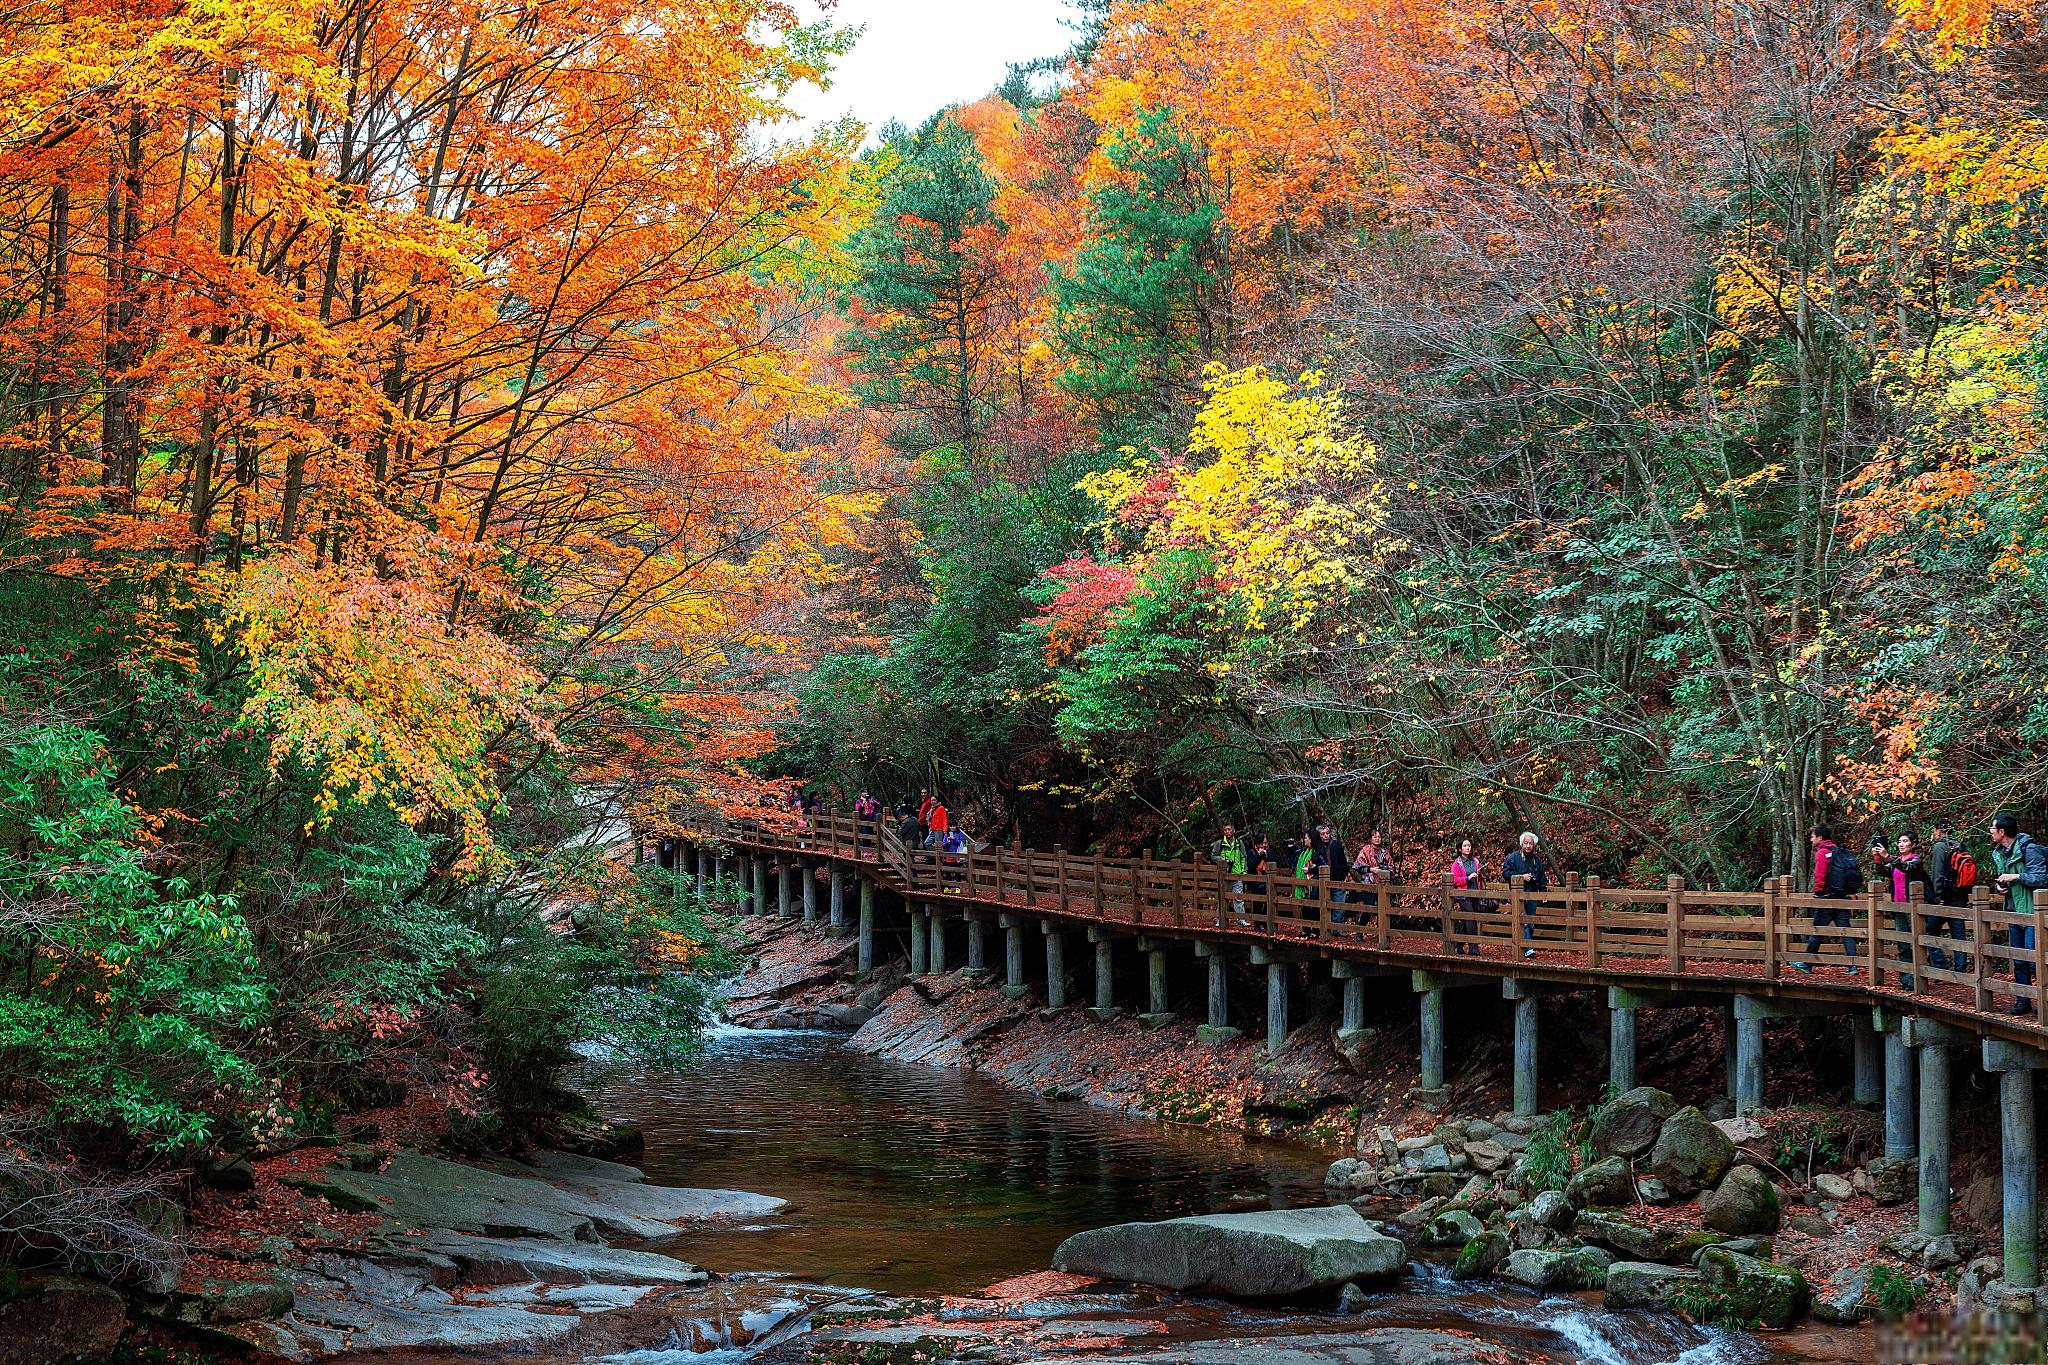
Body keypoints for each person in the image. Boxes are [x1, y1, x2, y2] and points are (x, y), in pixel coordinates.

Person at [1990, 813, 2048, 1015]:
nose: (1991, 832)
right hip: (2013, 912)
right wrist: (2001, 887)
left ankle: (2044, 1002)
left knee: (2035, 960)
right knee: (2019, 960)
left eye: (1992, 828)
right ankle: (2023, 1001)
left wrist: (2015, 876)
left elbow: (2041, 878)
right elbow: (2002, 878)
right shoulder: (2000, 852)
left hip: (2033, 913)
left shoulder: (2029, 850)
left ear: (2002, 831)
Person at [1796, 823, 1860, 971]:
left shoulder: (1822, 852)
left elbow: (1820, 875)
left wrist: (1818, 893)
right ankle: (1852, 966)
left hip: (1827, 898)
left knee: (1817, 930)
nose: (1811, 840)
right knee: (1846, 931)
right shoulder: (1837, 850)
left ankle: (1807, 963)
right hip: (1841, 896)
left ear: (1819, 837)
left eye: (1812, 837)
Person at [1926, 820, 1974, 971]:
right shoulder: (1960, 846)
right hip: (1960, 896)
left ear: (1939, 830)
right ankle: (1960, 968)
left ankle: (1941, 966)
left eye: (1934, 830)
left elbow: (1938, 873)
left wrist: (1937, 897)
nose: (1934, 833)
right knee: (1958, 933)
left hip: (1944, 898)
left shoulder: (1940, 846)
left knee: (1929, 933)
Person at [1889, 831, 1928, 990]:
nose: (1901, 844)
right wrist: (1879, 858)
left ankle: (1920, 978)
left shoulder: (1916, 861)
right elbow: (1883, 870)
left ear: (1912, 843)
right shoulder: (1896, 862)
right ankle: (1906, 980)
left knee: (1916, 943)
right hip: (1898, 907)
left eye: (1904, 841)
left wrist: (1889, 858)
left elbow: (1907, 868)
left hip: (1912, 907)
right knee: (1902, 944)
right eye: (1899, 841)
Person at [1503, 832, 1548, 958]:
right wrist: (1521, 877)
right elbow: (1506, 873)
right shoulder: (1512, 858)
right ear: (1521, 844)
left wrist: (1543, 892)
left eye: (1530, 844)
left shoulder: (1536, 860)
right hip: (1518, 895)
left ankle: (1526, 946)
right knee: (1523, 920)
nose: (1528, 846)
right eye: (1526, 843)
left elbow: (1542, 877)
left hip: (1532, 893)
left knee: (1530, 921)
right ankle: (1528, 948)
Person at [1448, 836, 1484, 955]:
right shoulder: (1457, 864)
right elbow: (1455, 880)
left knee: (1465, 921)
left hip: (1475, 893)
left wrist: (1479, 874)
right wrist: (1467, 878)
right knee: (1471, 919)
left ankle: (1458, 944)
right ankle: (1473, 948)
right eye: (1465, 846)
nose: (1468, 848)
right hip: (1463, 895)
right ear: (1459, 849)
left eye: (1469, 845)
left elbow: (1479, 877)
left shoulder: (1476, 861)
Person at [1212, 823, 1249, 919]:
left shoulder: (1239, 843)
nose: (1227, 832)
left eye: (1229, 829)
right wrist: (1221, 859)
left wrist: (1244, 871)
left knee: (1238, 898)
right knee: (1222, 898)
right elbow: (1213, 856)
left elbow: (1244, 857)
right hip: (1224, 875)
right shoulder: (1219, 843)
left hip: (1237, 874)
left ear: (1233, 830)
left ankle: (1241, 918)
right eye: (1225, 830)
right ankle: (1219, 918)